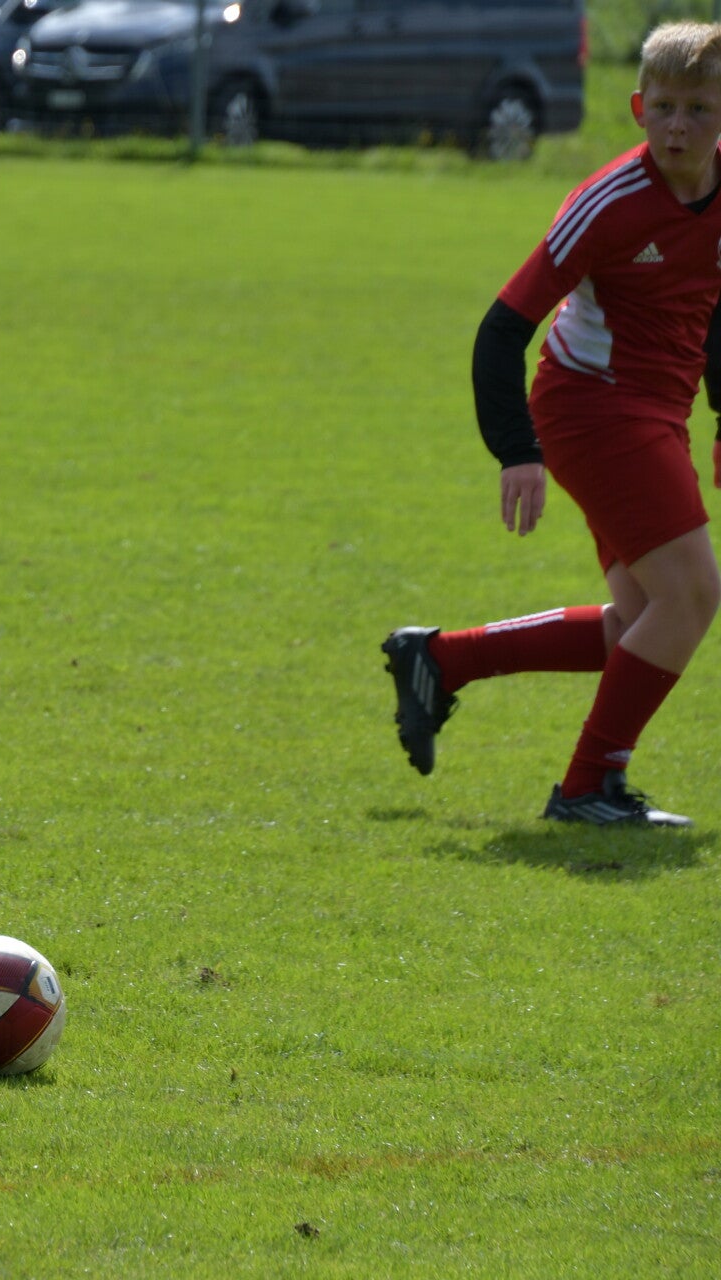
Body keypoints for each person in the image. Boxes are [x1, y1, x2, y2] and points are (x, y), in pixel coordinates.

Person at [382, 22, 721, 826]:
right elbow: (502, 328)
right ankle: (587, 787)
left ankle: (441, 659)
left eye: (700, 109)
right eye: (664, 107)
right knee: (692, 597)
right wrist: (516, 452)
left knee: (642, 622)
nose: (678, 126)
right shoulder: (609, 202)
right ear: (638, 108)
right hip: (593, 408)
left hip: (657, 413)